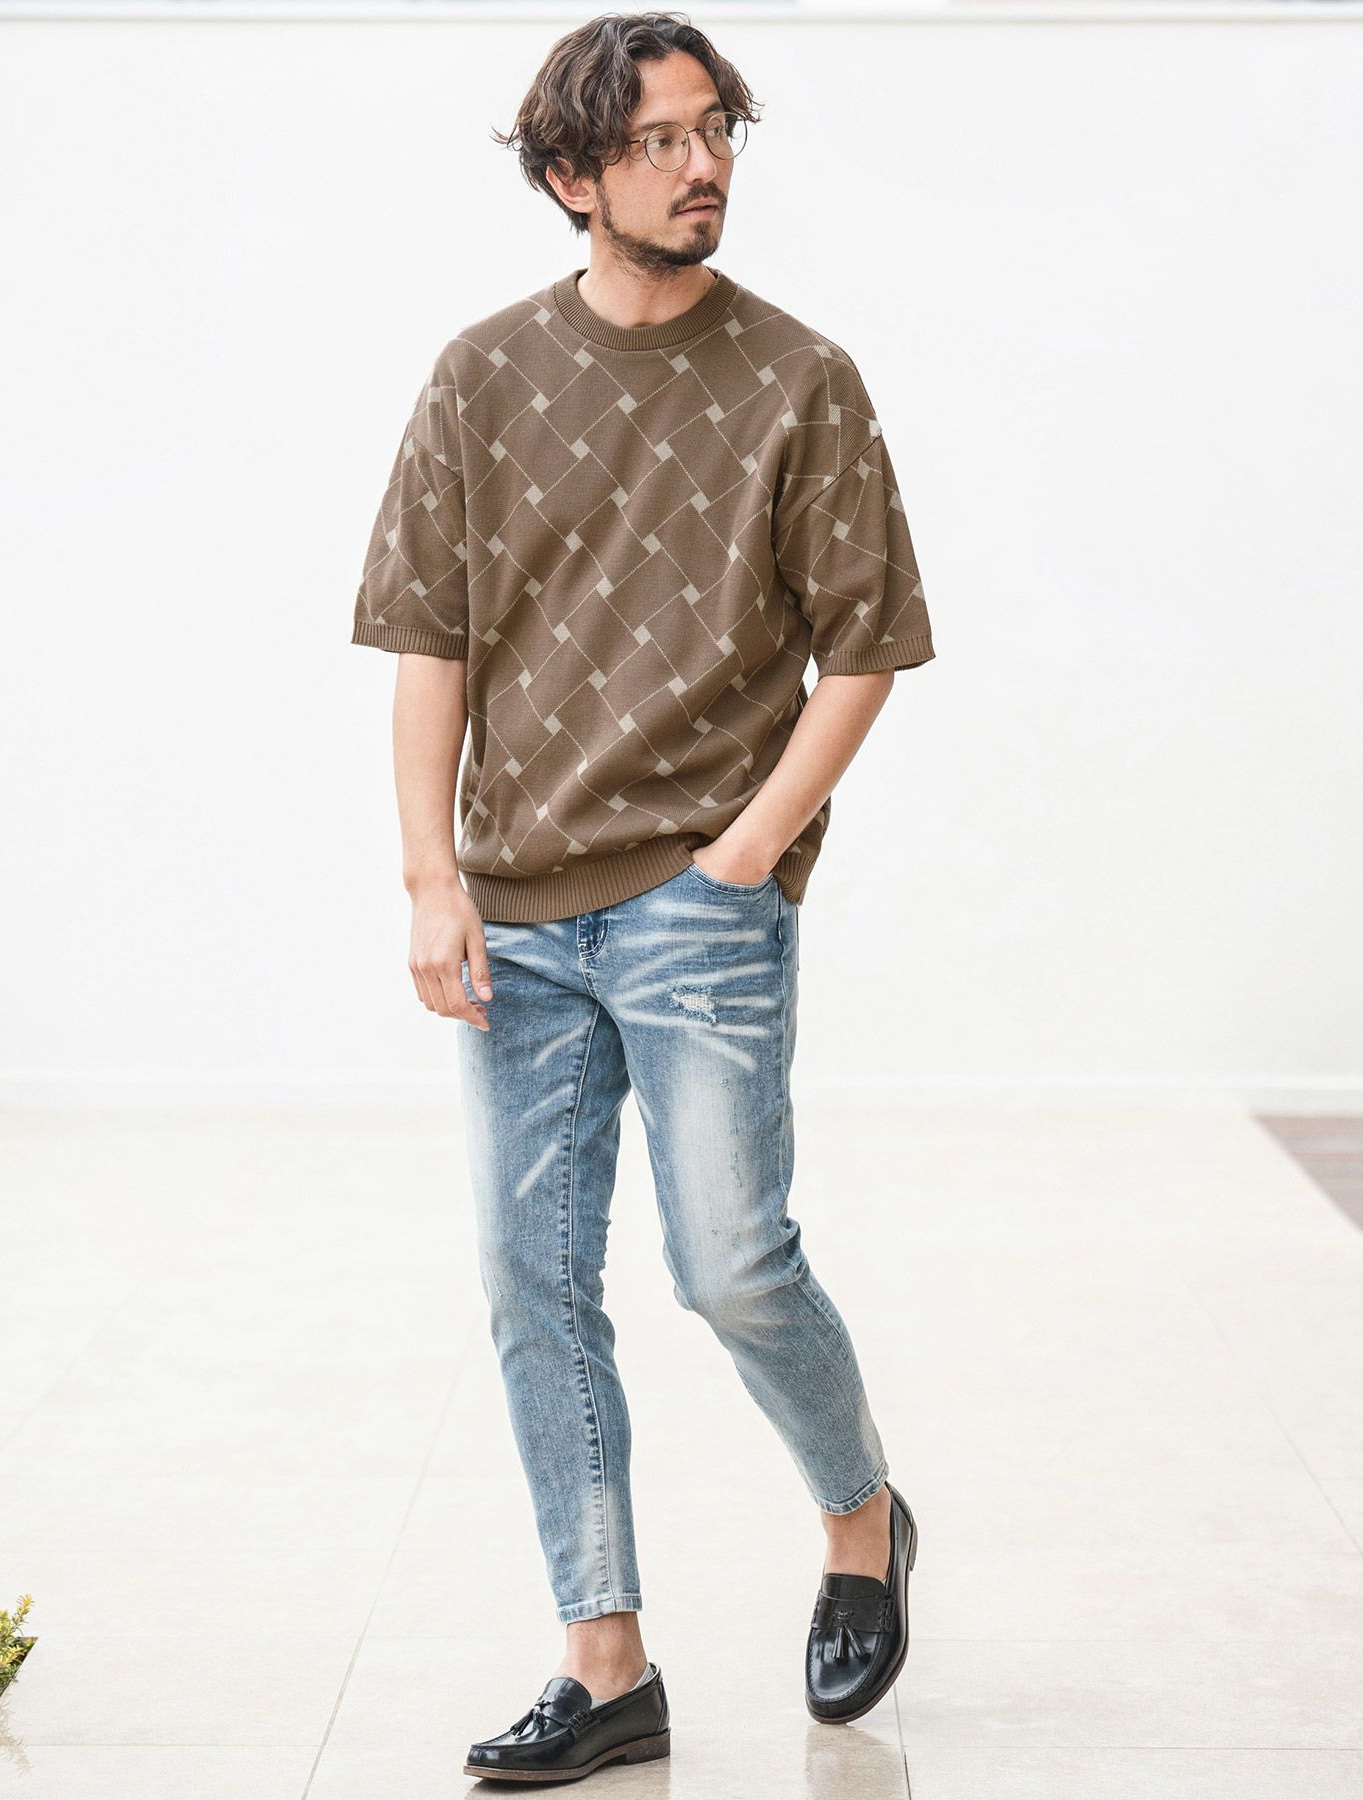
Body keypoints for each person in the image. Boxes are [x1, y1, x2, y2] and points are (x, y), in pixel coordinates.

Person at [351, 11, 933, 1783]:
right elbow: (431, 639)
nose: (703, 167)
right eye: (661, 141)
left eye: (716, 131)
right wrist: (432, 879)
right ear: (570, 177)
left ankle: (861, 1521)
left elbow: (866, 649)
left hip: (700, 905)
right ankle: (605, 1666)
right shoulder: (480, 375)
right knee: (533, 1287)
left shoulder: (801, 378)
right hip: (517, 917)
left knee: (732, 1264)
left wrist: (744, 854)